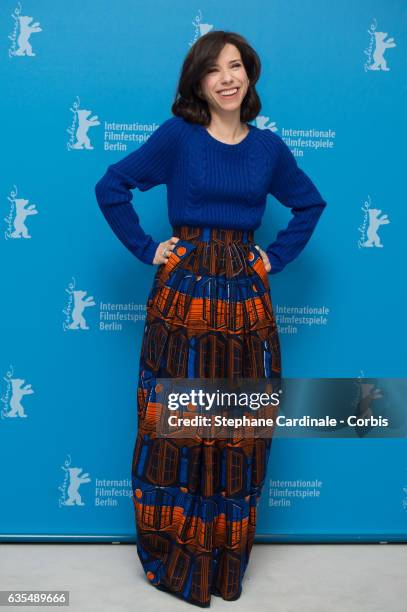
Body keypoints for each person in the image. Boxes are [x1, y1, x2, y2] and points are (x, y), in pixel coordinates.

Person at [95, 30, 327, 608]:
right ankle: (175, 556)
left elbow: (309, 203)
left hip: (245, 298)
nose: (227, 77)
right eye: (214, 69)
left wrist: (274, 256)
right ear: (197, 81)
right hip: (183, 292)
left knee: (237, 425)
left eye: (237, 66)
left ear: (250, 75)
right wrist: (148, 247)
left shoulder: (269, 149)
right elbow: (112, 186)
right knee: (175, 424)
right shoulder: (179, 136)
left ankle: (223, 561)